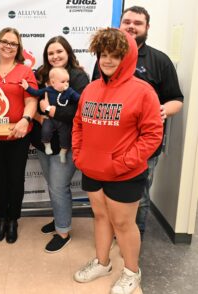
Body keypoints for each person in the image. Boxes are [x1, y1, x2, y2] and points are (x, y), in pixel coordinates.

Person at [72, 28, 163, 294]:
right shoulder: (90, 88)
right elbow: (78, 124)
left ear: (128, 58)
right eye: (103, 55)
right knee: (100, 217)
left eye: (115, 55)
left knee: (123, 224)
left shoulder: (143, 91)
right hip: (92, 168)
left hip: (125, 173)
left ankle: (132, 272)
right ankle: (102, 263)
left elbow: (153, 134)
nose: (108, 60)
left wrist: (123, 163)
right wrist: (79, 154)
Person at [92, 6, 184, 239]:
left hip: (144, 148)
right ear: (119, 25)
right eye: (127, 22)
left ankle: (136, 240)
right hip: (109, 148)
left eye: (138, 23)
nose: (131, 26)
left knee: (140, 198)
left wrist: (159, 111)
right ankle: (114, 237)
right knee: (109, 198)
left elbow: (177, 99)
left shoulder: (160, 60)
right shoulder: (105, 59)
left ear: (147, 28)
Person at [0, 27, 38, 244]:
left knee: (16, 178)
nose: (8, 46)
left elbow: (32, 100)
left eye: (13, 43)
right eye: (5, 41)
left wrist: (25, 120)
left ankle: (13, 220)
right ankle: (1, 217)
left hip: (18, 134)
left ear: (18, 47)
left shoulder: (25, 71)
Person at [30, 36, 89, 253]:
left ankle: (63, 231)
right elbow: (32, 101)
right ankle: (58, 220)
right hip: (43, 141)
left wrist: (52, 111)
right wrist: (39, 116)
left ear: (68, 52)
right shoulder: (41, 74)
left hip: (67, 143)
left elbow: (80, 111)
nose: (55, 56)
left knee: (58, 187)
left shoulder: (79, 77)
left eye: (59, 52)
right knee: (53, 186)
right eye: (51, 53)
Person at [21, 67, 80, 163]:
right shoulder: (48, 90)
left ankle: (63, 151)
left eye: (67, 81)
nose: (66, 84)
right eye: (63, 81)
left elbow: (79, 98)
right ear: (53, 83)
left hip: (62, 120)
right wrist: (27, 87)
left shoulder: (69, 91)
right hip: (49, 119)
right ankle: (47, 145)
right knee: (46, 130)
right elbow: (36, 92)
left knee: (65, 134)